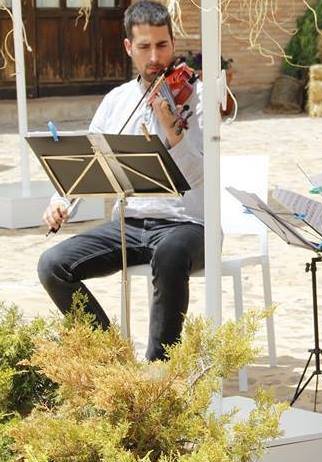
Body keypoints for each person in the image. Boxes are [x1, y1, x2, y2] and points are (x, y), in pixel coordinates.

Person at [37, 0, 205, 362]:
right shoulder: (116, 101)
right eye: (144, 47)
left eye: (162, 45)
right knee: (52, 265)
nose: (155, 57)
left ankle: (161, 368)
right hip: (130, 223)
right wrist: (60, 201)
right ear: (129, 47)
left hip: (188, 224)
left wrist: (173, 135)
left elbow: (200, 176)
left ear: (173, 44)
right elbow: (89, 160)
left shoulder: (196, 98)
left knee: (170, 251)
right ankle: (113, 360)